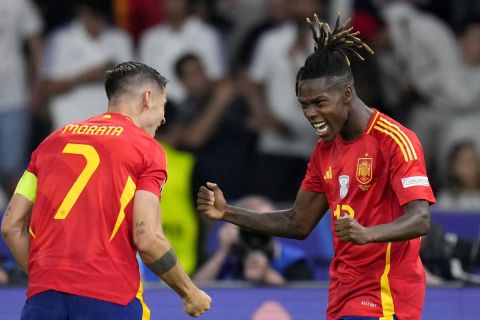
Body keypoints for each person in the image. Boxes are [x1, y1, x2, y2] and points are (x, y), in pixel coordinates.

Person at [197, 14, 435, 320]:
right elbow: (298, 222)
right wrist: (227, 212)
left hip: (385, 298)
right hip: (341, 296)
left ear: (347, 94)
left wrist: (367, 234)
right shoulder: (325, 151)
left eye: (320, 102)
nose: (311, 113)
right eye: (304, 104)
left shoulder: (394, 140)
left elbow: (420, 219)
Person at [1, 61, 211, 319]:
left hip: (43, 300)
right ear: (147, 98)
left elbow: (11, 225)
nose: (163, 118)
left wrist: (47, 278)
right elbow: (148, 240)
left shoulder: (51, 142)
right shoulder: (146, 149)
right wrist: (190, 293)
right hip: (110, 297)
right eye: (163, 106)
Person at [194, 196, 313, 284]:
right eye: (251, 227)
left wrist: (267, 274)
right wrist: (222, 251)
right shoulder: (227, 258)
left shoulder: (295, 260)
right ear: (236, 227)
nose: (258, 233)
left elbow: (301, 303)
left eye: (266, 225)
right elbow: (197, 290)